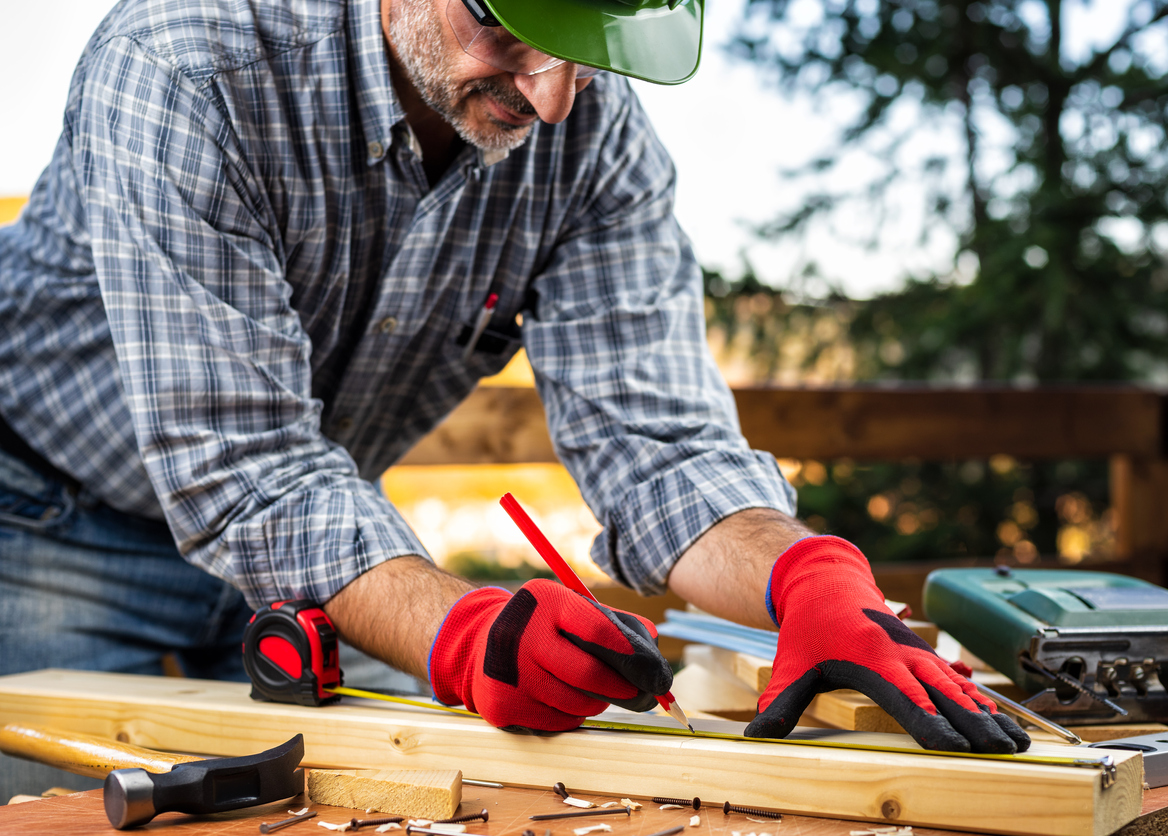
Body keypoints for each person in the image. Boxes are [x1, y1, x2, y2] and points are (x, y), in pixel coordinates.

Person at [0, 0, 1030, 796]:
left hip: (321, 552)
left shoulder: (592, 138)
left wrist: (806, 579)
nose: (551, 98)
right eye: (510, 32)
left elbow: (658, 445)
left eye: (585, 49)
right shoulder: (189, 60)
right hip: (49, 519)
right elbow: (243, 462)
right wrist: (461, 632)